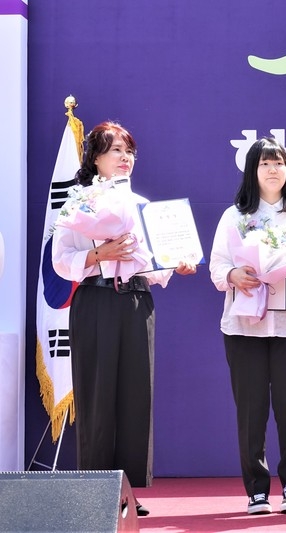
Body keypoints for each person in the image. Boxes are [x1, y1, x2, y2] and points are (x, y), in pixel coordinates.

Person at [52, 121, 197, 516]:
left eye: (129, 151)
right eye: (115, 150)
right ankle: (94, 492)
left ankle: (126, 491)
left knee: (135, 395)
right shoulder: (78, 204)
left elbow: (154, 265)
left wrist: (177, 265)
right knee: (97, 394)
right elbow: (61, 261)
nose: (125, 157)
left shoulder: (144, 207)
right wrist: (100, 254)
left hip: (136, 301)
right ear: (95, 158)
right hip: (95, 301)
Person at [209, 137, 286, 515]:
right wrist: (234, 274)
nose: (273, 170)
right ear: (252, 171)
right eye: (265, 164)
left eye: (279, 163)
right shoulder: (234, 216)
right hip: (244, 328)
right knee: (251, 412)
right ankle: (256, 490)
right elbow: (217, 267)